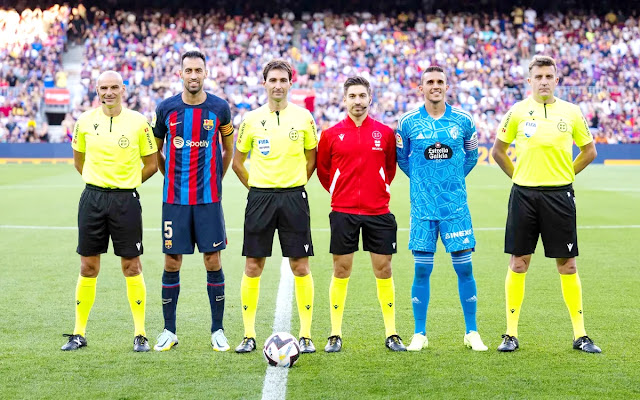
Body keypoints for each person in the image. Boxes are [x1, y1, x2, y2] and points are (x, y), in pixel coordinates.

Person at [491, 55, 600, 353]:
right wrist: (519, 177)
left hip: (559, 196)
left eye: (548, 76)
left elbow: (589, 150)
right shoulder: (516, 112)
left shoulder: (572, 112)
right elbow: (498, 151)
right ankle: (510, 334)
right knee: (518, 262)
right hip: (523, 196)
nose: (543, 81)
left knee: (567, 264)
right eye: (538, 76)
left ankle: (580, 335)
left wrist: (567, 173)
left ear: (556, 79)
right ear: (529, 81)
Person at [62, 70, 158, 352]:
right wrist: (100, 183)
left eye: (114, 87)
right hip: (92, 199)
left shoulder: (139, 123)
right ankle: (79, 333)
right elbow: (79, 161)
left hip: (125, 201)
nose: (109, 92)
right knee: (88, 266)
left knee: (131, 265)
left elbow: (151, 164)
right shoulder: (84, 122)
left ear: (123, 89)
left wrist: (126, 184)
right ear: (96, 90)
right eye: (104, 87)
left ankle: (140, 333)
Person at [396, 65, 488, 352]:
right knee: (421, 271)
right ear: (420, 87)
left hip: (455, 207)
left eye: (440, 82)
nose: (435, 86)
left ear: (447, 86)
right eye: (430, 82)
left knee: (465, 269)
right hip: (422, 208)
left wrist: (451, 182)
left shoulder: (464, 120)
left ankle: (471, 332)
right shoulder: (408, 122)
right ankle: (419, 333)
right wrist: (424, 182)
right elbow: (402, 159)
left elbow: (471, 156)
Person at [232, 59, 318, 354]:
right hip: (260, 199)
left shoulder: (304, 117)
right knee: (253, 265)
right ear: (264, 83)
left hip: (294, 197)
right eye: (273, 80)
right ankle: (248, 334)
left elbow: (311, 159)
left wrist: (294, 183)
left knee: (300, 265)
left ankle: (305, 334)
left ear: (290, 82)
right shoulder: (251, 119)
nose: (278, 85)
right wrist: (256, 187)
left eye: (283, 79)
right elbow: (237, 162)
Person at [152, 50, 235, 352]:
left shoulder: (220, 108)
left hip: (209, 200)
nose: (193, 76)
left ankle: (218, 330)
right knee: (172, 261)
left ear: (205, 73)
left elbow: (229, 149)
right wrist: (170, 176)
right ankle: (169, 330)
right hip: (174, 200)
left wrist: (216, 179)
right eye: (188, 70)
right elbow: (157, 152)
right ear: (181, 74)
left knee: (212, 260)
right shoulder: (166, 109)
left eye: (198, 70)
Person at [317, 76, 406, 352]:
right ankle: (335, 333)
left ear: (370, 99)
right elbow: (323, 171)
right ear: (344, 100)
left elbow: (390, 168)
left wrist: (377, 187)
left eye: (361, 96)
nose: (357, 101)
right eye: (352, 96)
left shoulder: (385, 133)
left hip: (378, 211)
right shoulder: (331, 134)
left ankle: (391, 333)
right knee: (341, 270)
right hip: (343, 211)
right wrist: (338, 190)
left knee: (384, 269)